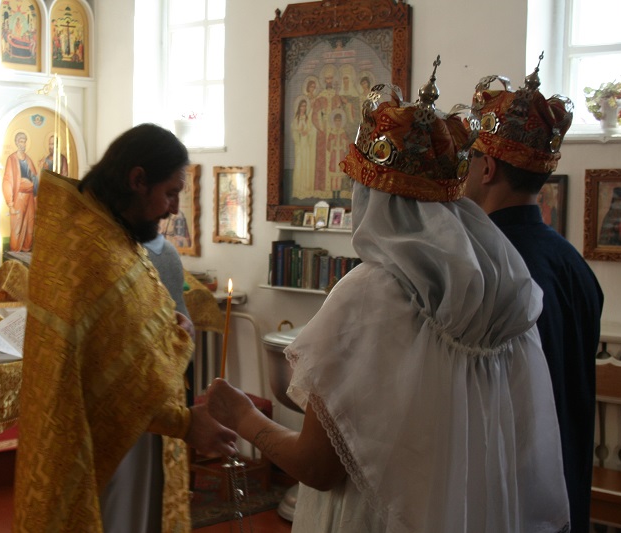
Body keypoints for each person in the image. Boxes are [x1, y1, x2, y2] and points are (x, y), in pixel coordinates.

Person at [206, 59, 570, 533]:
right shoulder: (507, 289)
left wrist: (242, 417)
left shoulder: (368, 294)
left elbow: (317, 466)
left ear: (372, 196)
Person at [13, 123, 237, 533]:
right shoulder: (96, 251)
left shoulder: (98, 231)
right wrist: (187, 423)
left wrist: (166, 329)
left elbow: (121, 338)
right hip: (110, 443)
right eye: (170, 193)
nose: (174, 209)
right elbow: (114, 379)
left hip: (124, 431)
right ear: (137, 180)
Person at [464, 60, 604, 533]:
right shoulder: (572, 262)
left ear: (487, 168)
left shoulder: (486, 266)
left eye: (469, 159)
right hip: (566, 484)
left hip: (510, 496)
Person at [100, 233, 191, 533]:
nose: (173, 210)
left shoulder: (163, 253)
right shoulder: (99, 249)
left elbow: (183, 323)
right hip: (111, 404)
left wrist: (182, 332)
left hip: (150, 399)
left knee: (140, 501)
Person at [2, 130, 38, 252]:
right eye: (21, 141)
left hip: (30, 196)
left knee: (30, 225)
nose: (23, 144)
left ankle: (27, 249)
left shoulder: (28, 160)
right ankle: (15, 252)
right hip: (19, 197)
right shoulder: (12, 159)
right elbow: (7, 181)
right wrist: (10, 204)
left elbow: (35, 177)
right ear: (17, 143)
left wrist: (36, 198)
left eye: (24, 141)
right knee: (17, 226)